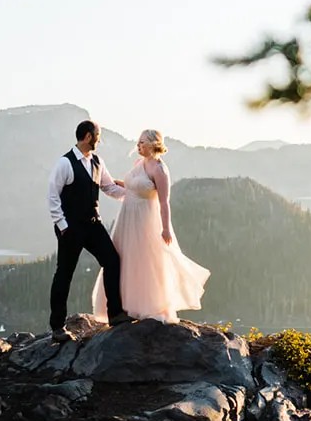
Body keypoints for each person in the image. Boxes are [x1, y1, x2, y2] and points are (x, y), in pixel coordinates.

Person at [92, 128, 210, 323]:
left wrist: (165, 228)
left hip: (145, 220)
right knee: (124, 259)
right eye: (138, 143)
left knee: (145, 261)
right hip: (127, 218)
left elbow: (164, 202)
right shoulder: (140, 163)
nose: (138, 146)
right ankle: (123, 306)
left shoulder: (160, 170)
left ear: (154, 144)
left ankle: (149, 304)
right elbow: (131, 186)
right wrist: (108, 181)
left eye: (142, 143)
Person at [47, 119, 131, 340]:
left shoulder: (97, 161)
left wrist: (134, 196)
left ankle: (115, 314)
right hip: (70, 228)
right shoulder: (64, 163)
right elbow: (52, 196)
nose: (99, 139)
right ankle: (57, 327)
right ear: (87, 136)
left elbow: (108, 187)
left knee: (112, 260)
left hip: (93, 224)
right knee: (64, 275)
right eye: (97, 135)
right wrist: (63, 226)